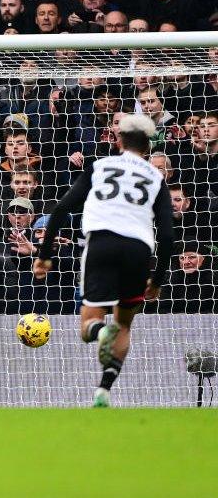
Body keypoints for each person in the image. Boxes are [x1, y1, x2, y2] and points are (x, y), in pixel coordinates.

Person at [35, 114, 174, 408]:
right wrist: (158, 279)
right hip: (138, 249)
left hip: (101, 243)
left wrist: (45, 255)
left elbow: (61, 209)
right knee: (124, 324)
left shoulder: (99, 166)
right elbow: (169, 235)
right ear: (148, 147)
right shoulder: (156, 179)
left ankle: (100, 331)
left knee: (89, 326)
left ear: (119, 139)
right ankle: (104, 389)